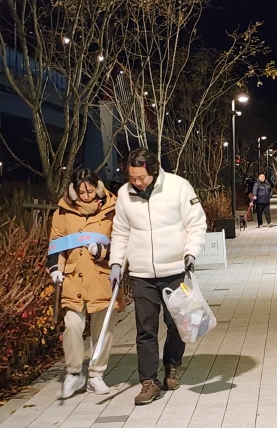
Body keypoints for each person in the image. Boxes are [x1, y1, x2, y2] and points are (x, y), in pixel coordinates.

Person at [109, 148, 207, 405]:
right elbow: (120, 231)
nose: (137, 183)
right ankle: (149, 382)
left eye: (141, 177)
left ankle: (172, 365)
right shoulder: (124, 194)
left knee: (177, 324)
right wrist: (116, 263)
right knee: (145, 329)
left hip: (175, 270)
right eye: (132, 178)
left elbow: (196, 223)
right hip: (141, 273)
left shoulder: (178, 187)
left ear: (154, 170)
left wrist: (190, 253)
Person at [48, 168, 119, 399]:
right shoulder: (63, 211)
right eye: (81, 191)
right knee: (72, 326)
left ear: (98, 187)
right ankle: (74, 371)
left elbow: (122, 241)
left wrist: (103, 252)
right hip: (73, 277)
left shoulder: (112, 209)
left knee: (103, 329)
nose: (86, 196)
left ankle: (96, 375)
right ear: (74, 191)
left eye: (90, 190)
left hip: (102, 277)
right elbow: (56, 243)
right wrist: (55, 270)